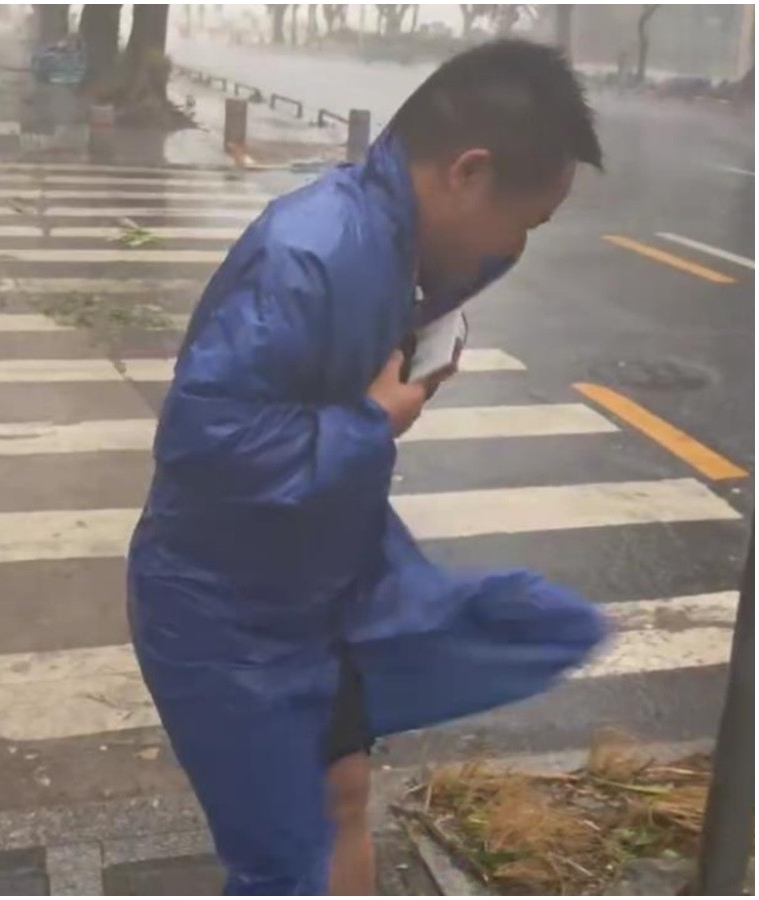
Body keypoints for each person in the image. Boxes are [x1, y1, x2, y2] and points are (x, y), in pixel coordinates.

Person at [126, 40, 609, 895]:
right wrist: (374, 419)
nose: (517, 249)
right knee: (286, 862)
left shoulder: (402, 249)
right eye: (524, 224)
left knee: (342, 792)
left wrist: (412, 352)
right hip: (225, 618)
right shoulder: (310, 254)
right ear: (468, 173)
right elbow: (204, 447)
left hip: (319, 585)